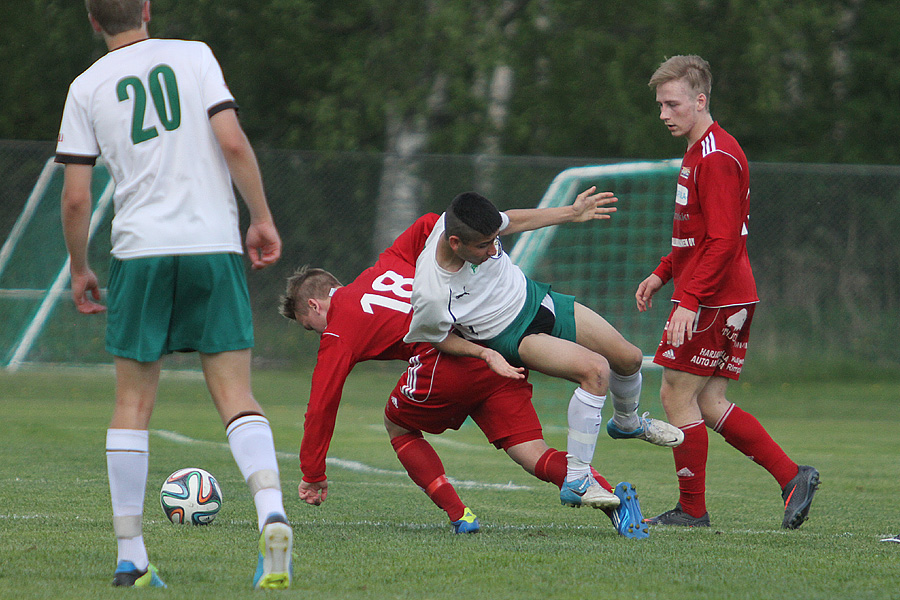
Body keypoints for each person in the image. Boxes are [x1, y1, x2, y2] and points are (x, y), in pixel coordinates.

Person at [56, 0, 292, 589]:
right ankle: (270, 513)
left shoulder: (85, 86)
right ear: (146, 8)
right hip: (212, 243)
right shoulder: (194, 56)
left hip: (139, 251)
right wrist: (260, 217)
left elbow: (77, 199)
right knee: (237, 394)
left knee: (133, 404)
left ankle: (131, 553)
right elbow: (233, 143)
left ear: (93, 21)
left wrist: (80, 267)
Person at [279, 214, 648, 538]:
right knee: (532, 454)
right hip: (493, 345)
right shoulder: (387, 263)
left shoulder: (338, 329)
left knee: (398, 425)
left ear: (315, 303)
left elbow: (321, 404)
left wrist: (313, 472)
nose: (318, 333)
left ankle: (460, 514)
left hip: (448, 358)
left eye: (310, 326)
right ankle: (616, 502)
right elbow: (431, 222)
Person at [403, 189, 684, 510]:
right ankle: (577, 478)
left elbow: (511, 220)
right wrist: (484, 353)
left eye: (495, 240)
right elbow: (437, 338)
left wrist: (571, 212)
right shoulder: (431, 292)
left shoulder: (468, 223)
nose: (494, 248)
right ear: (456, 243)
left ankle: (627, 422)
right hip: (510, 335)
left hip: (536, 299)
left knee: (629, 358)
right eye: (484, 245)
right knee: (595, 371)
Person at [636, 54, 819, 529]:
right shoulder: (703, 149)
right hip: (727, 293)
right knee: (708, 402)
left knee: (676, 394)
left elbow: (722, 239)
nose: (663, 114)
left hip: (716, 297)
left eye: (672, 104)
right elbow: (694, 235)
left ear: (700, 101)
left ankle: (692, 510)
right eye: (660, 105)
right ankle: (791, 476)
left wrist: (690, 300)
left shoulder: (715, 156)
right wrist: (662, 272)